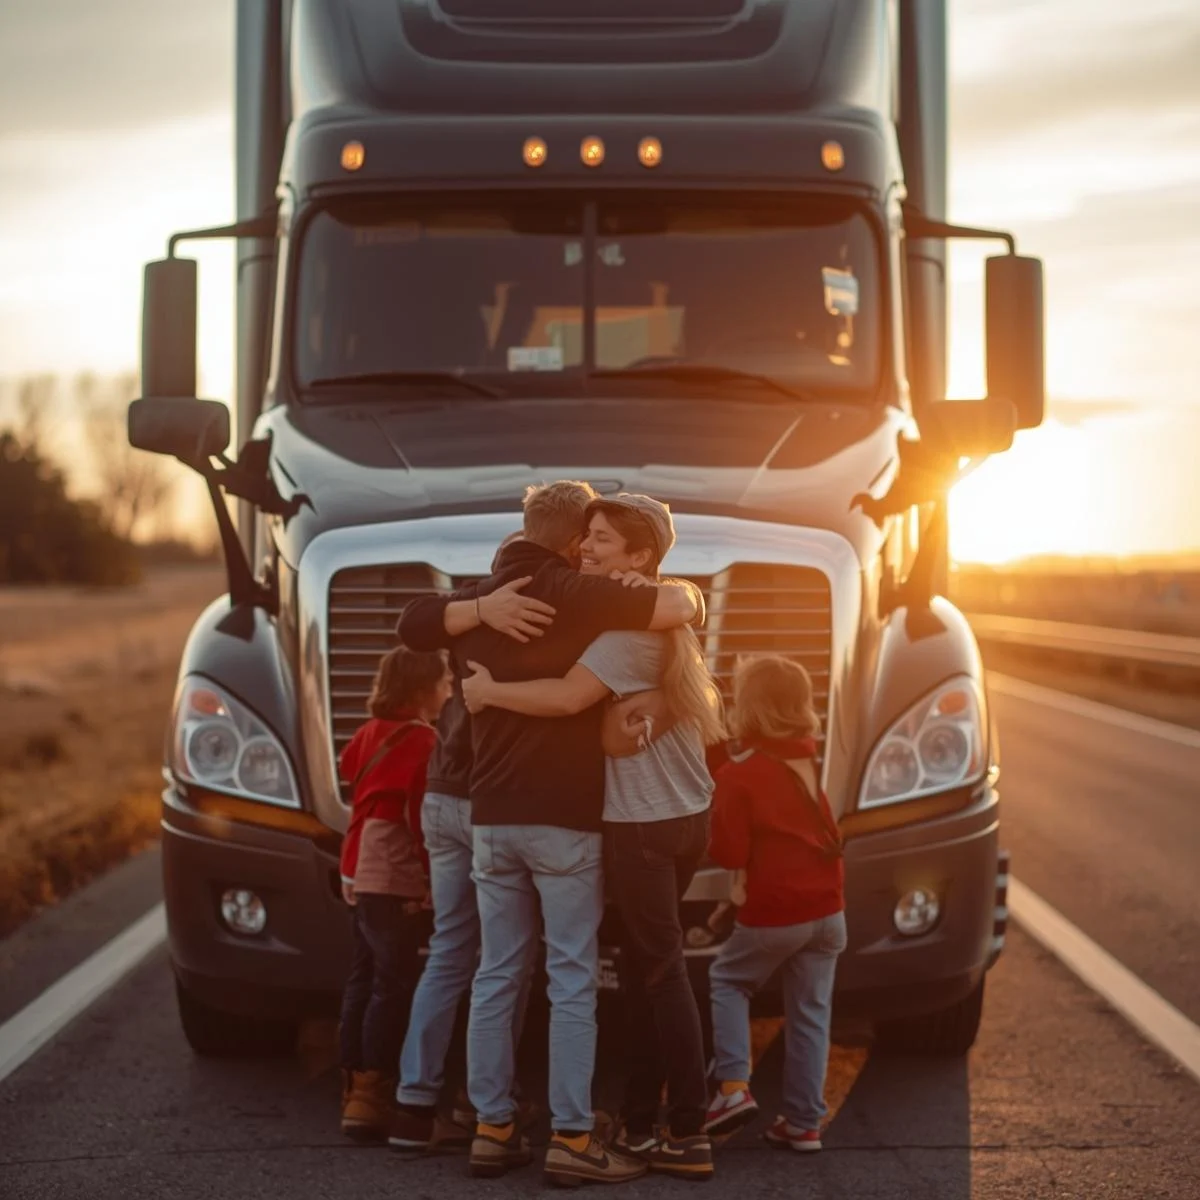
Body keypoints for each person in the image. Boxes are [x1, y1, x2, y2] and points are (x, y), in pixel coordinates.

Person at [399, 480, 701, 1185]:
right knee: (570, 978)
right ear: (572, 541)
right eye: (587, 538)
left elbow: (414, 623)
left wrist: (470, 609)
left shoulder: (478, 602)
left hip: (491, 818)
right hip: (565, 819)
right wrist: (666, 589)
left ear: (523, 524)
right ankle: (570, 1137)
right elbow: (677, 604)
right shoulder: (578, 592)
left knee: (496, 972)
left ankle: (494, 1127)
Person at [389, 533, 542, 1151]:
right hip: (487, 800)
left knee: (452, 948)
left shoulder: (467, 609)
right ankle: (489, 1109)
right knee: (508, 960)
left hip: (440, 795)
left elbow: (415, 620)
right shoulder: (543, 614)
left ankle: (412, 1103)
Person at [703, 655, 847, 1153]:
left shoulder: (740, 775)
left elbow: (729, 853)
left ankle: (733, 1088)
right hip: (829, 910)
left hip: (778, 910)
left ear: (750, 709)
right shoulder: (806, 758)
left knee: (727, 980)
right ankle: (804, 1122)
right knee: (809, 1011)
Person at [338, 645, 453, 1141]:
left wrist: (348, 872)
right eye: (444, 679)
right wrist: (430, 882)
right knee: (393, 983)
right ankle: (374, 1095)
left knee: (361, 979)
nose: (450, 687)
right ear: (423, 689)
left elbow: (349, 772)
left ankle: (354, 1087)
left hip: (361, 865)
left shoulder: (368, 734)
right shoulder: (425, 742)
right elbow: (420, 819)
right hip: (394, 872)